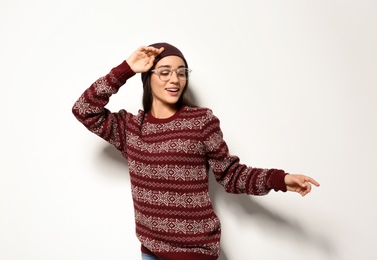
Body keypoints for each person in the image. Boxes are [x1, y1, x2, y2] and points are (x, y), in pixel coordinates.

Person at [72, 42, 320, 260]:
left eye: (181, 73)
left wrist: (281, 179)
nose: (175, 80)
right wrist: (126, 68)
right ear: (148, 77)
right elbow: (84, 109)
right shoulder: (131, 129)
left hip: (194, 253)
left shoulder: (201, 121)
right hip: (150, 251)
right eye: (165, 72)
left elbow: (231, 175)